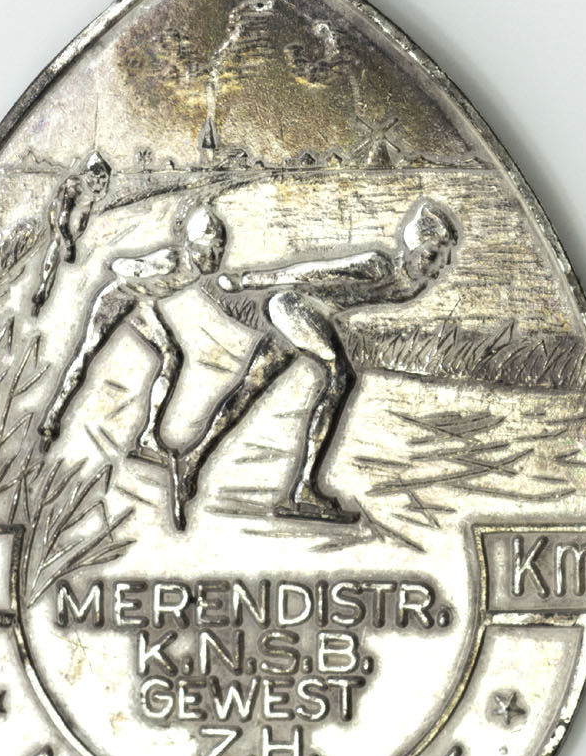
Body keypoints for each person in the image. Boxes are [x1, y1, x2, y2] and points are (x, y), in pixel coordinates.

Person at [177, 198, 460, 525]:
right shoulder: (378, 265)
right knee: (340, 377)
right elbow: (310, 272)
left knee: (250, 387)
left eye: (442, 258)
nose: (438, 266)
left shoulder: (412, 284)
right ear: (411, 248)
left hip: (303, 314)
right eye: (431, 255)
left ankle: (191, 460)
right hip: (294, 307)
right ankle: (304, 490)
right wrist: (247, 281)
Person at [38, 202, 227, 528]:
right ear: (191, 246)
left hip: (141, 303)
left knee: (172, 356)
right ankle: (52, 418)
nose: (214, 257)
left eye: (217, 250)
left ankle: (148, 435)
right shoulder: (171, 261)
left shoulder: (196, 269)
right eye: (207, 250)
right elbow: (119, 266)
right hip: (118, 298)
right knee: (85, 357)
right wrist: (133, 270)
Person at [31, 152, 111, 314]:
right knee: (57, 244)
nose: (98, 182)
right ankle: (43, 288)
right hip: (60, 217)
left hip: (74, 221)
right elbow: (62, 218)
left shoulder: (97, 190)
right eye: (95, 176)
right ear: (87, 174)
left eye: (103, 177)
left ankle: (44, 289)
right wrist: (69, 244)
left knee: (60, 249)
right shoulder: (74, 185)